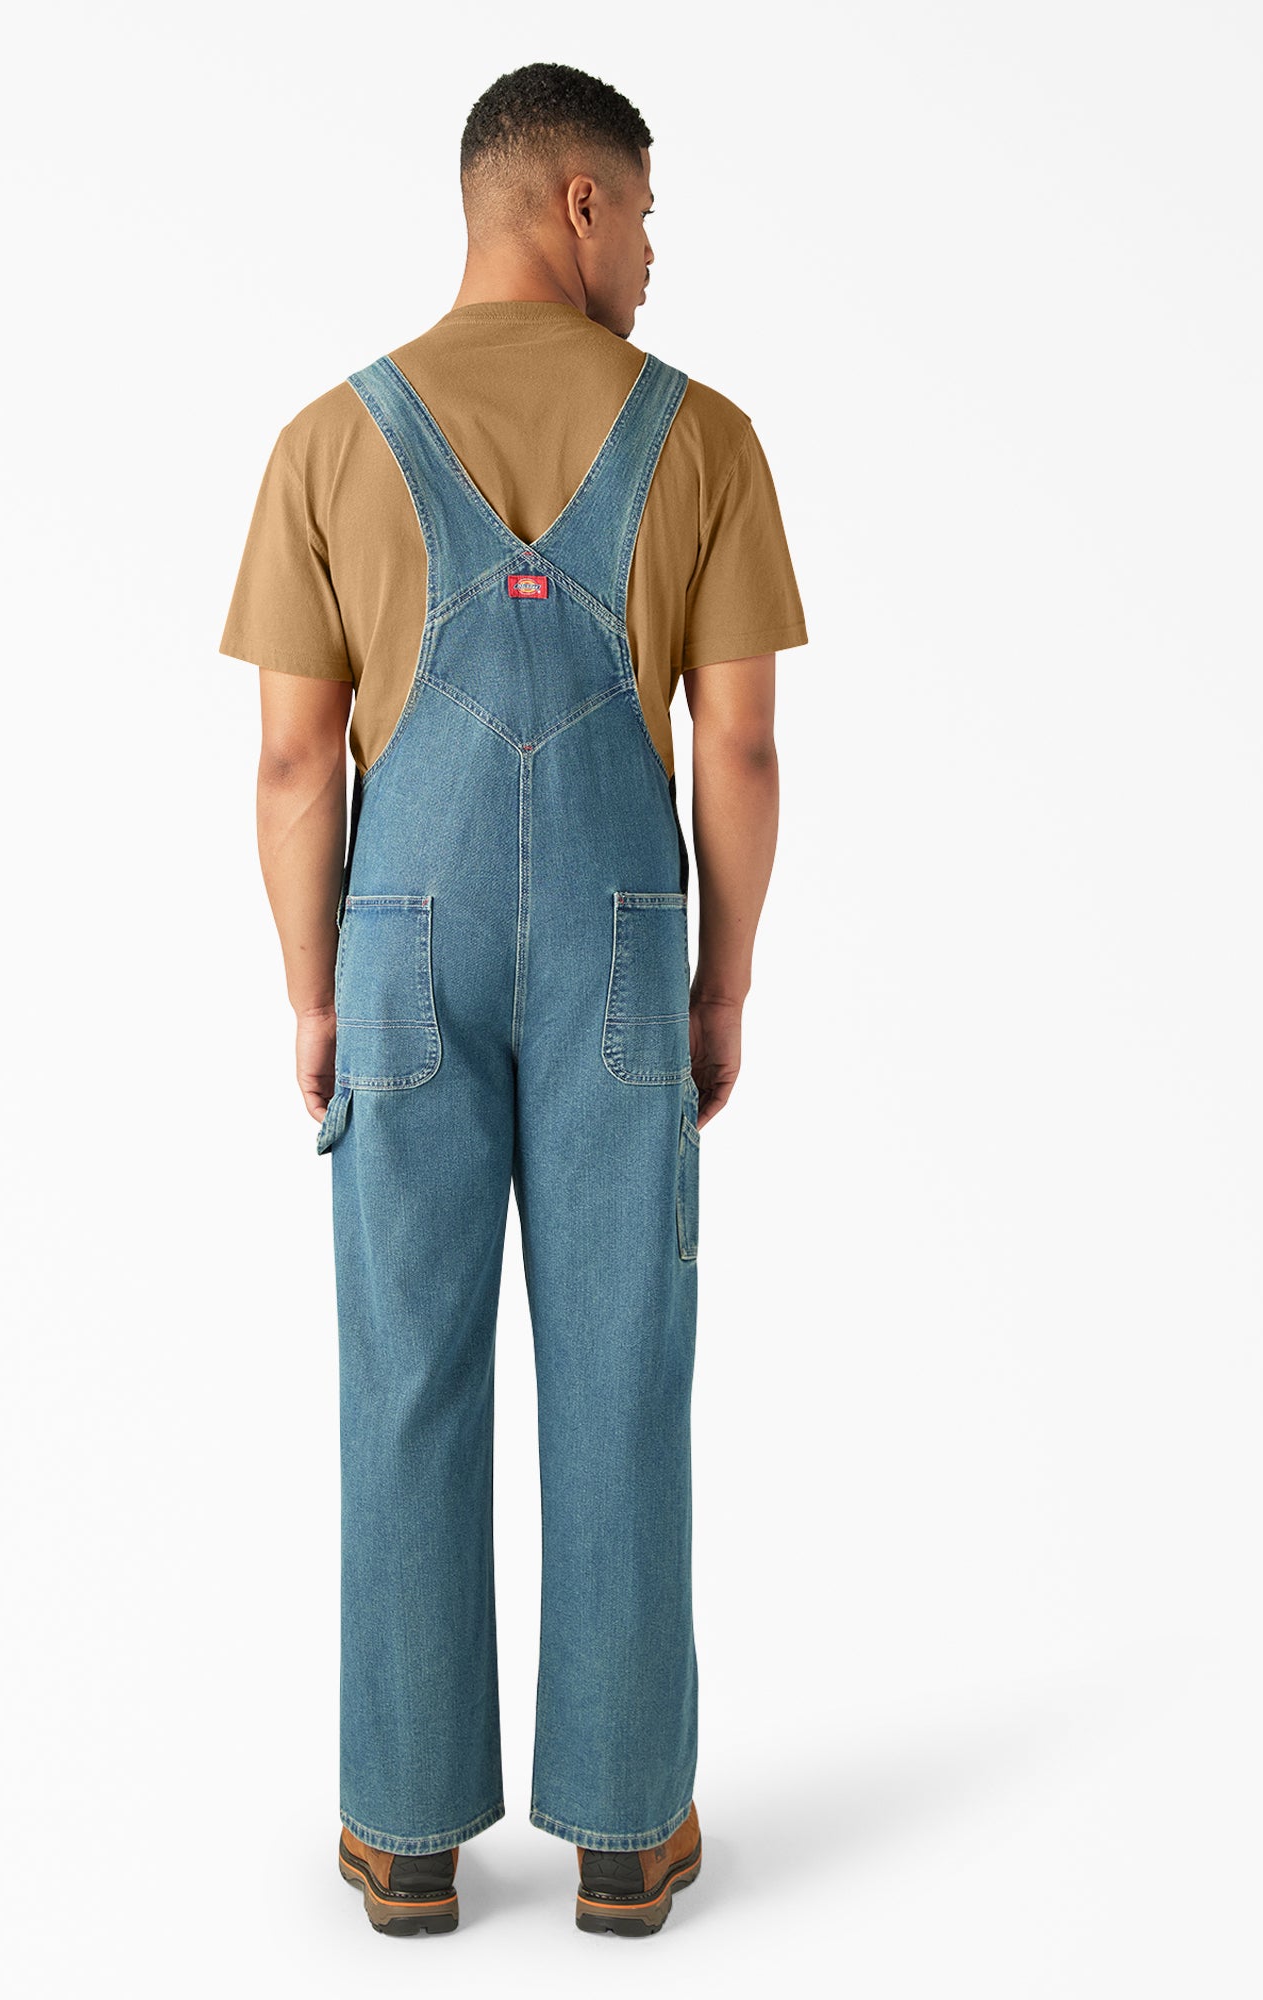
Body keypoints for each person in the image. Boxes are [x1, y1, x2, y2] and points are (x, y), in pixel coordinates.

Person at [219, 61, 807, 1937]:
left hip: (401, 944)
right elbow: (742, 752)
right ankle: (628, 1829)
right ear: (576, 203)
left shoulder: (329, 441)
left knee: (407, 1364)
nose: (651, 254)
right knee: (624, 1359)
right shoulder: (704, 439)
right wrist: (724, 979)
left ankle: (405, 1834)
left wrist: (313, 990)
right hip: (627, 947)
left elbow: (296, 765)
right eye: (643, 216)